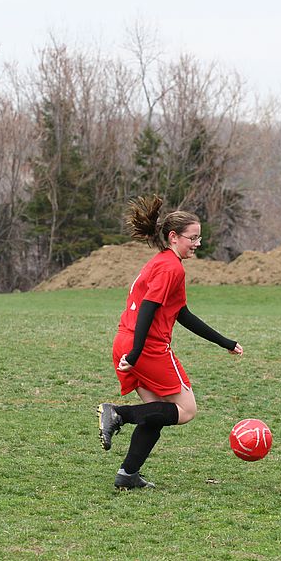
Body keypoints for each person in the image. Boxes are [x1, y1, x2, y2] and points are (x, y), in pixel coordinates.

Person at [98, 195, 243, 490]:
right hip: (147, 347)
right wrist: (138, 353)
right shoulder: (171, 268)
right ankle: (118, 413)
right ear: (174, 237)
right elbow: (149, 309)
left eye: (199, 237)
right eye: (193, 238)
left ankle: (127, 474)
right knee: (186, 410)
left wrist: (224, 342)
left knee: (156, 415)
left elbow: (183, 315)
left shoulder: (162, 263)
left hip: (124, 341)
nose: (197, 243)